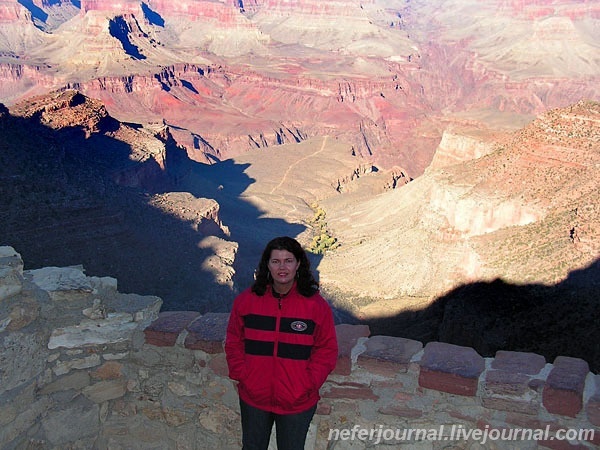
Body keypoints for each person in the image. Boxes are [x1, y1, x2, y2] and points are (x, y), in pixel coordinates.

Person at [225, 236, 338, 450]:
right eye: (276, 261)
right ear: (267, 265)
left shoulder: (315, 306)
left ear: (298, 265)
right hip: (254, 398)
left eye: (288, 260)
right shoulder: (247, 301)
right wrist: (243, 374)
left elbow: (326, 349)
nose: (282, 267)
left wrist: (307, 383)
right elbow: (233, 341)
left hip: (297, 401)